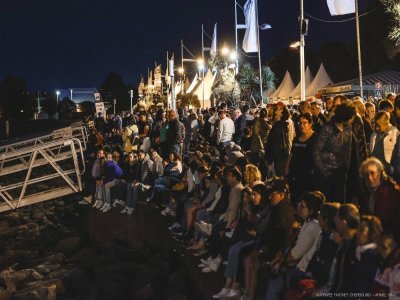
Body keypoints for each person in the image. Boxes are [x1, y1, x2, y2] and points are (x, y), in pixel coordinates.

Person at [266, 191, 324, 300]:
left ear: (312, 210)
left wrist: (279, 262)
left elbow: (295, 255)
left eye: (303, 206)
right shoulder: (307, 222)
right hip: (297, 265)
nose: (298, 207)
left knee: (275, 280)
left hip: (303, 270)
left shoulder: (313, 226)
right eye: (299, 204)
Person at [313, 103, 359, 203]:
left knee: (340, 201)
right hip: (327, 172)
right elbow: (317, 150)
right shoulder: (328, 129)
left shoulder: (348, 129)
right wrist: (323, 170)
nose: (352, 120)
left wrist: (347, 167)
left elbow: (349, 149)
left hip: (342, 172)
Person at [359, 157, 400, 234]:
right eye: (366, 174)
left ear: (380, 173)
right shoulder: (365, 195)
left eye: (372, 173)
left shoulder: (392, 193)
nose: (369, 177)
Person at [287, 112, 318, 205]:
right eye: (300, 123)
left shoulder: (316, 138)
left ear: (310, 124)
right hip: (294, 176)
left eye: (305, 123)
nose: (302, 125)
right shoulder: (296, 139)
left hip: (308, 178)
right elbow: (291, 155)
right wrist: (287, 170)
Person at [265, 104, 295, 177]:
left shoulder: (279, 125)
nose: (276, 109)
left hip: (280, 156)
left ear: (281, 113)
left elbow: (275, 142)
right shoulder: (288, 122)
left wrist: (269, 157)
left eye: (279, 109)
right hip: (286, 154)